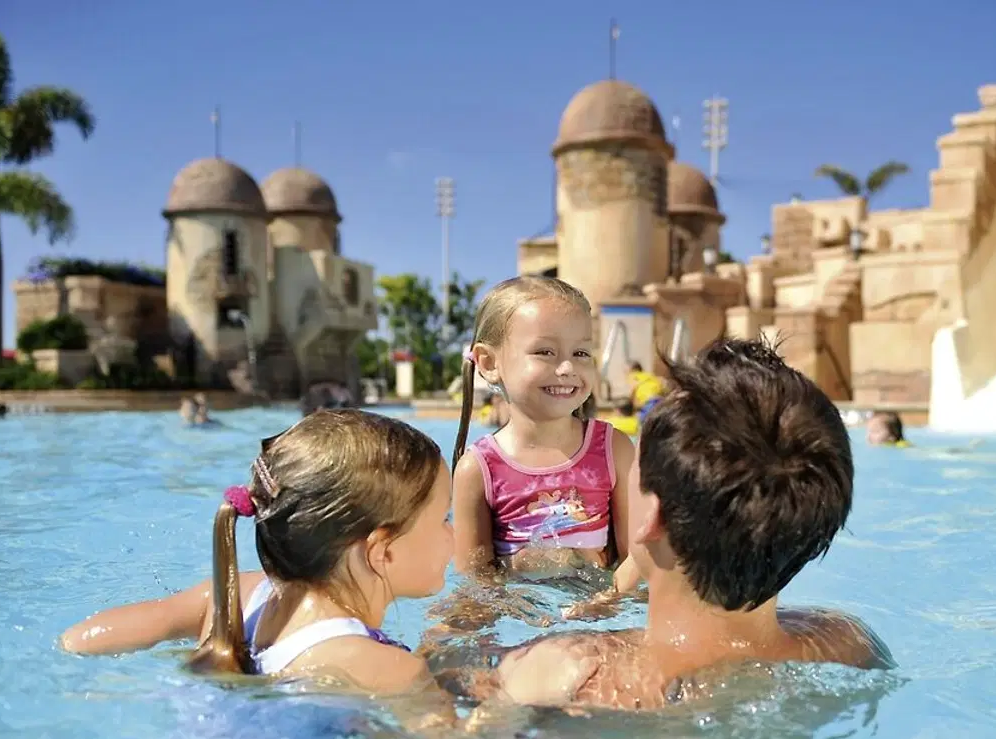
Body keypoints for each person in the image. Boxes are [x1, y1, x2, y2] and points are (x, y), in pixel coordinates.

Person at [433, 338, 893, 712]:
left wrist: (441, 639)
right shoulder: (845, 642)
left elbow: (444, 719)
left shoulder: (567, 671)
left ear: (650, 517)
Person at [61, 409, 459, 703]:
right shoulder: (390, 670)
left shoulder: (237, 597)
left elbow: (79, 640)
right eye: (442, 517)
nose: (451, 531)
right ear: (382, 553)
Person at [449, 276, 636, 582]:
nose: (567, 368)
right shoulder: (478, 469)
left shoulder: (612, 449)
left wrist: (605, 602)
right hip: (524, 621)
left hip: (600, 617)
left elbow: (635, 564)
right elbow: (476, 588)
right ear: (489, 362)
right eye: (545, 352)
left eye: (581, 353)